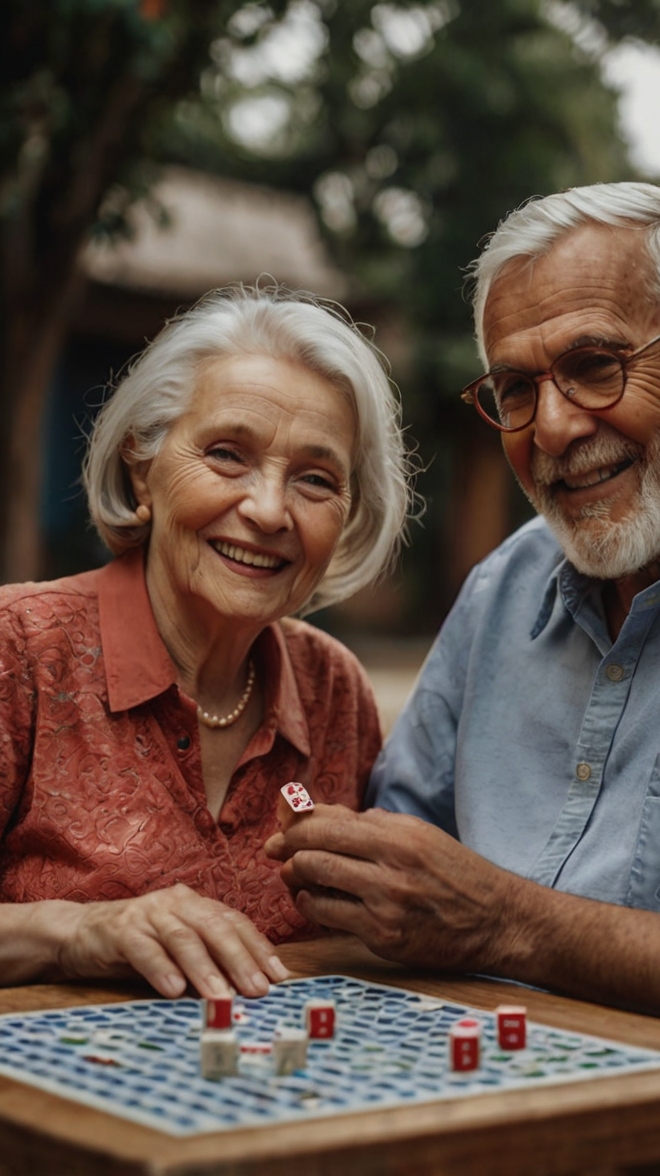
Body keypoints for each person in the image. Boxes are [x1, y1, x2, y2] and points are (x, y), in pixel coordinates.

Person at [266, 182, 660, 1043]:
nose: (551, 429)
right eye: (514, 388)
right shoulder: (504, 588)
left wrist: (509, 923)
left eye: (596, 366)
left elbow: (481, 915)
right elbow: (403, 844)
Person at [0, 284, 412, 1001]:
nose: (269, 509)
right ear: (143, 469)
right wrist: (75, 932)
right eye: (227, 455)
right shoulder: (21, 650)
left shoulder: (332, 689)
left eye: (315, 480)